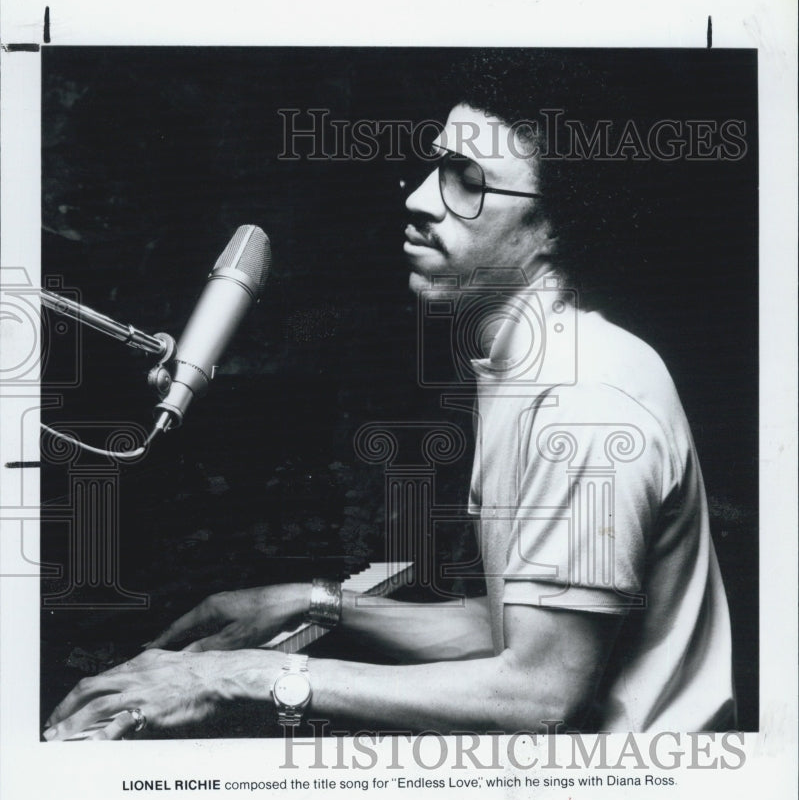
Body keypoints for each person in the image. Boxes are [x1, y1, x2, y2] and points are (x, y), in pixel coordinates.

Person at [43, 61, 736, 741]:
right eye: (436, 167)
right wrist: (318, 603)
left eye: (468, 181)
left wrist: (235, 677)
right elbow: (511, 629)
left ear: (554, 226)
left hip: (632, 797)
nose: (422, 198)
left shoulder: (583, 399)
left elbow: (537, 692)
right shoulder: (532, 364)